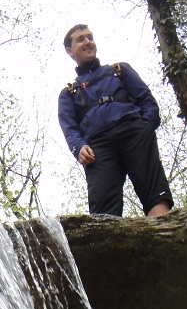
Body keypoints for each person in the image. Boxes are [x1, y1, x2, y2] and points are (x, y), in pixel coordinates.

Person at [58, 24, 173, 217]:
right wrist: (79, 148)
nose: (88, 42)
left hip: (133, 131)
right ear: (69, 51)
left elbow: (147, 100)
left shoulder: (120, 70)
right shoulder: (68, 93)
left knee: (153, 190)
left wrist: (146, 127)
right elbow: (69, 128)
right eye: (81, 39)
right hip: (97, 147)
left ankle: (164, 232)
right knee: (102, 209)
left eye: (90, 37)